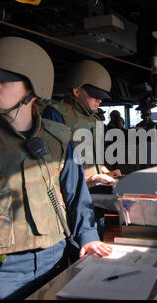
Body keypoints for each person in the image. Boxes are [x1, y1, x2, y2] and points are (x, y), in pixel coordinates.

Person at [0, 37, 112, 300]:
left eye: (4, 80)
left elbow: (76, 195)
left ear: (33, 89)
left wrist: (87, 235)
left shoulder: (59, 138)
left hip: (56, 260)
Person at [42, 59, 121, 242]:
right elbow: (50, 169)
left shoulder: (94, 119)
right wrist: (87, 180)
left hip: (94, 199)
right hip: (72, 202)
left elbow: (92, 158)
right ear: (77, 91)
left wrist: (104, 170)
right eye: (94, 95)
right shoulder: (56, 115)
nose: (99, 100)